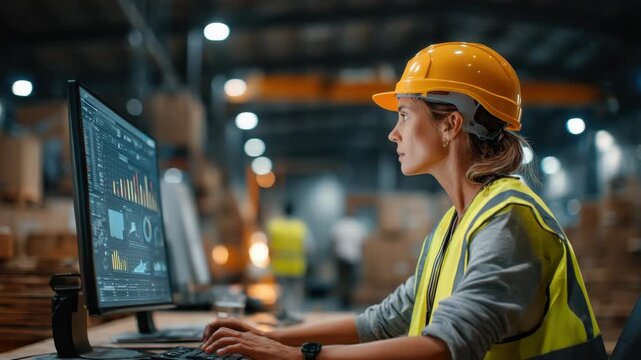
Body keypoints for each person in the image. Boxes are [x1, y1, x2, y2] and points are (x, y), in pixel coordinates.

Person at [200, 42, 607, 360]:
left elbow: (444, 348)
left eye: (405, 115)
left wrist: (298, 355)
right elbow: (384, 322)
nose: (394, 133)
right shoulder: (456, 223)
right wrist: (268, 337)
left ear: (451, 125)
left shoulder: (509, 219)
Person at [267, 201, 309, 322]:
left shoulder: (275, 226)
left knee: (281, 293)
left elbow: (269, 246)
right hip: (297, 267)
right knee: (296, 295)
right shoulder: (300, 226)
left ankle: (282, 316)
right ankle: (295, 316)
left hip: (279, 266)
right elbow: (308, 247)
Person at [330, 213, 368, 309]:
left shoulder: (339, 225)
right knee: (351, 281)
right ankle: (349, 301)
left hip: (341, 256)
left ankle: (342, 301)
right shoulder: (357, 226)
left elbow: (333, 241)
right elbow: (363, 242)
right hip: (354, 257)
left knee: (342, 280)